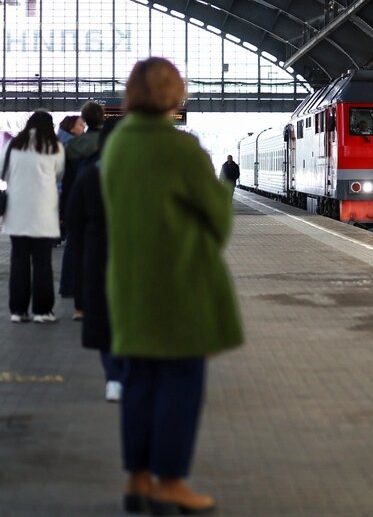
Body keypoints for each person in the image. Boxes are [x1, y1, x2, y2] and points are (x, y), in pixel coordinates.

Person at [102, 57, 243, 514]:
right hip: (179, 288)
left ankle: (139, 480)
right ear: (173, 94)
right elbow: (220, 222)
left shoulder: (118, 145)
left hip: (129, 286)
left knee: (139, 384)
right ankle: (171, 483)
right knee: (180, 386)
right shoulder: (182, 150)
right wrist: (222, 188)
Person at [65, 117, 124, 402]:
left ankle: (113, 378)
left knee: (103, 318)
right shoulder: (140, 174)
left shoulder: (90, 174)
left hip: (98, 255)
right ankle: (130, 373)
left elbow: (73, 219)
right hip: (132, 255)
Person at [2, 110, 65, 323]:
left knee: (18, 262)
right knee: (42, 263)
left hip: (16, 212)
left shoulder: (13, 145)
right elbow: (59, 174)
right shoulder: (55, 147)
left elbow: (3, 171)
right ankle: (42, 311)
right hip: (43, 213)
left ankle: (18, 311)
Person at [60, 101, 105, 307]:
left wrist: (65, 207)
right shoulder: (110, 143)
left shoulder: (72, 145)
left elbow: (67, 180)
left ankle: (69, 286)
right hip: (103, 202)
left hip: (77, 200)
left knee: (73, 245)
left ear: (84, 120)